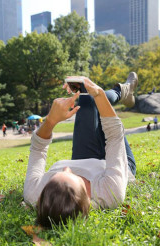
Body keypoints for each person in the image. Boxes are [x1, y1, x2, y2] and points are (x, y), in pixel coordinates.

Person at [23, 72, 138, 228]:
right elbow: (114, 134)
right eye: (72, 176)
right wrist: (99, 94)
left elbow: (37, 148)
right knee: (95, 100)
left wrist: (51, 120)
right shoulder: (110, 192)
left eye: (56, 176)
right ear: (88, 197)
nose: (67, 167)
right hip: (115, 166)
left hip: (85, 157)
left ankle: (122, 91)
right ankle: (122, 90)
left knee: (86, 100)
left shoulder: (34, 193)